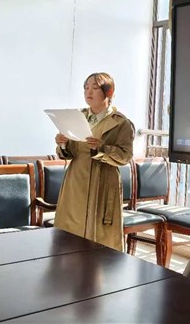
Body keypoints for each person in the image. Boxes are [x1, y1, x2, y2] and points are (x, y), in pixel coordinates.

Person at [54, 72, 134, 251]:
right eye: (86, 88)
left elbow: (125, 156)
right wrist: (63, 144)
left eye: (95, 88)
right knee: (69, 231)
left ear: (109, 92)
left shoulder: (121, 123)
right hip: (76, 180)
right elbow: (70, 153)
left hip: (103, 181)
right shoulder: (77, 117)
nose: (88, 92)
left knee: (98, 236)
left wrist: (101, 147)